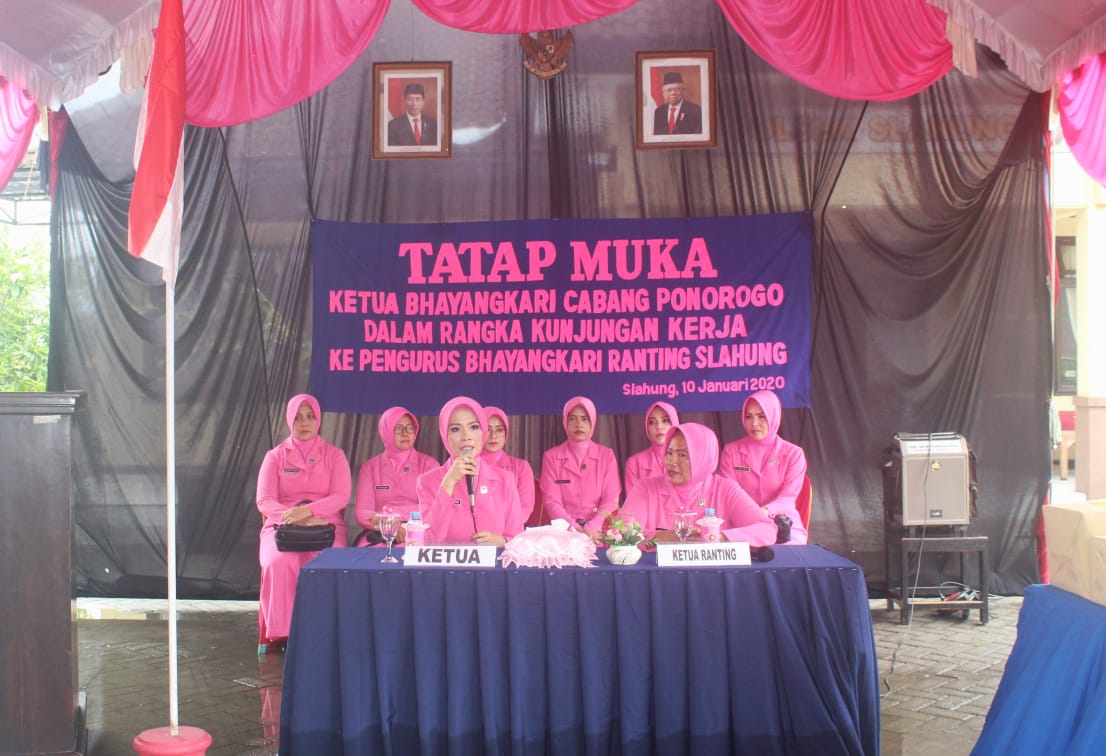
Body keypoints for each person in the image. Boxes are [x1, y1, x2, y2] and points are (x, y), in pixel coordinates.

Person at [256, 394, 350, 651]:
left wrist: (308, 513)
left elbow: (341, 496)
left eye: (310, 416)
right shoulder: (275, 457)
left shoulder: (334, 455)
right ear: (289, 420)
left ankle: (323, 629)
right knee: (279, 561)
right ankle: (286, 634)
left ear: (318, 419)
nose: (305, 422)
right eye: (298, 417)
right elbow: (265, 500)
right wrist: (292, 516)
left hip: (324, 524)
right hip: (282, 524)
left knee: (327, 562)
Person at [622, 422, 777, 544]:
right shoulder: (646, 488)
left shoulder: (725, 489)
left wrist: (718, 536)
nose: (671, 462)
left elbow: (767, 530)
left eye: (682, 455)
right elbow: (621, 533)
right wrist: (667, 537)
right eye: (669, 453)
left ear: (703, 458)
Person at [415, 396, 526, 545]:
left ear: (483, 432)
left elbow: (518, 539)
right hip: (447, 560)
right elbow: (429, 540)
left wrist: (501, 541)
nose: (466, 436)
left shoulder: (506, 480)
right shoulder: (426, 481)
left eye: (474, 427)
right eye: (455, 429)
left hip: (495, 559)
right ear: (445, 436)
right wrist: (448, 483)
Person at [719, 389, 808, 544]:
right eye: (749, 416)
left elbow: (787, 498)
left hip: (782, 523)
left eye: (762, 416)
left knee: (784, 554)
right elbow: (729, 494)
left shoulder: (794, 454)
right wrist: (752, 517)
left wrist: (765, 512)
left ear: (774, 415)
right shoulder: (731, 452)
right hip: (742, 522)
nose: (754, 423)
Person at [353, 406, 438, 542]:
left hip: (417, 531)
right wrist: (389, 524)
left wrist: (390, 513)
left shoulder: (429, 465)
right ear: (385, 431)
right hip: (379, 532)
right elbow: (362, 513)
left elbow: (433, 508)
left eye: (410, 428)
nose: (405, 433)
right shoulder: (370, 468)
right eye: (398, 428)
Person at [539, 396, 621, 533]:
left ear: (593, 421)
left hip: (598, 532)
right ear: (565, 421)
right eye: (572, 418)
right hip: (564, 532)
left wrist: (592, 528)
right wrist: (575, 529)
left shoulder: (606, 456)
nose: (579, 424)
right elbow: (551, 502)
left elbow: (611, 499)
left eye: (584, 419)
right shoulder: (551, 457)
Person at [482, 406, 537, 520]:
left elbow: (525, 508)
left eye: (499, 430)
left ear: (506, 433)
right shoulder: (467, 466)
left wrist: (500, 529)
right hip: (473, 529)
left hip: (511, 529)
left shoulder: (521, 467)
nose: (493, 436)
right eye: (488, 429)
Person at [623, 401, 679, 493]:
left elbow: (700, 498)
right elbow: (633, 500)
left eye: (665, 420)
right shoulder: (635, 463)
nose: (659, 427)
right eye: (652, 422)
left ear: (675, 423)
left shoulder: (690, 460)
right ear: (646, 428)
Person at [387, 82, 437, 146]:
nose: (414, 103)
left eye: (417, 99)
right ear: (404, 101)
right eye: (410, 99)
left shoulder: (433, 123)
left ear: (423, 103)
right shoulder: (393, 125)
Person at [652, 71, 702, 135]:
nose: (673, 93)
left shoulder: (695, 110)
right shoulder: (658, 112)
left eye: (677, 89)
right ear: (663, 93)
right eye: (669, 90)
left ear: (683, 91)